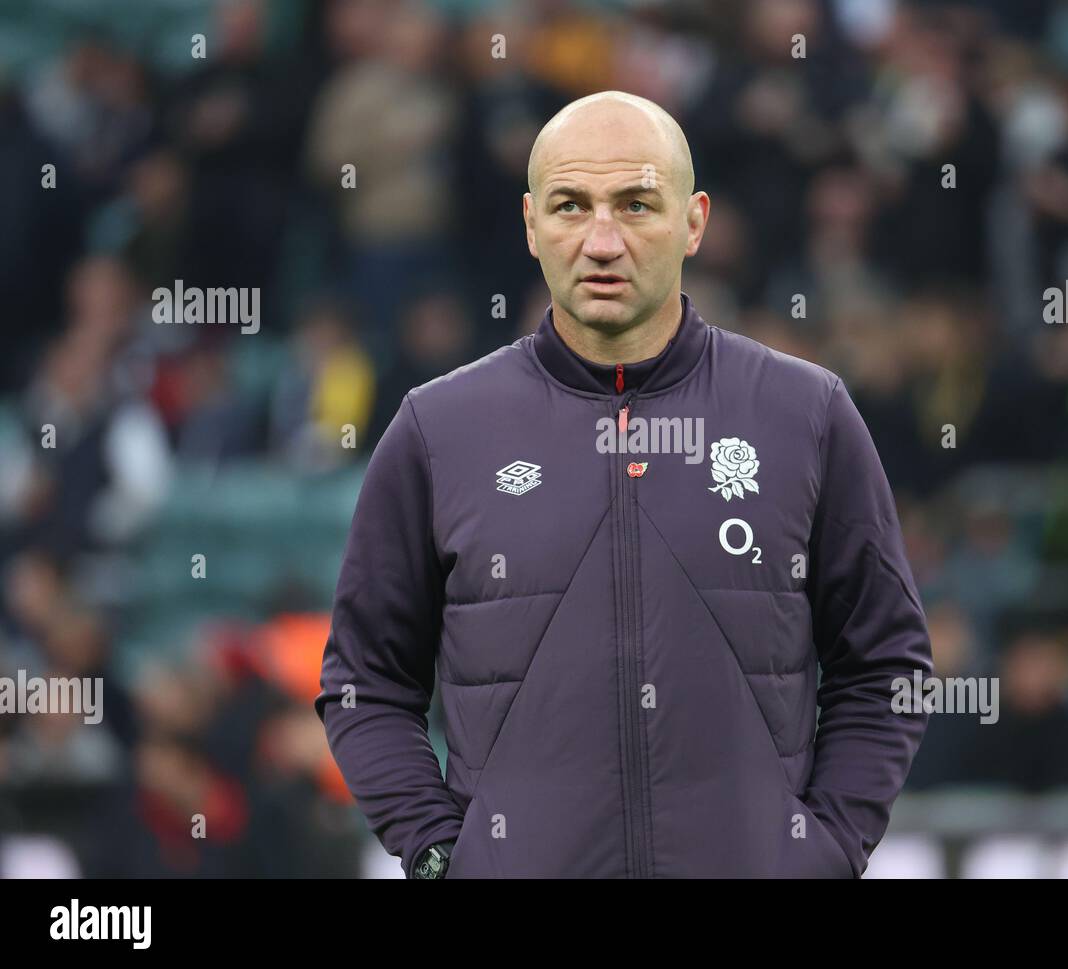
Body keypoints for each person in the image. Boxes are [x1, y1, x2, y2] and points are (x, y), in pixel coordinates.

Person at [315, 90, 933, 878]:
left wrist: (825, 849)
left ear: (695, 221)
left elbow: (887, 666)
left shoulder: (805, 412)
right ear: (532, 223)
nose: (601, 241)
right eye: (572, 206)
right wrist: (442, 855)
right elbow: (362, 682)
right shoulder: (439, 429)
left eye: (636, 204)